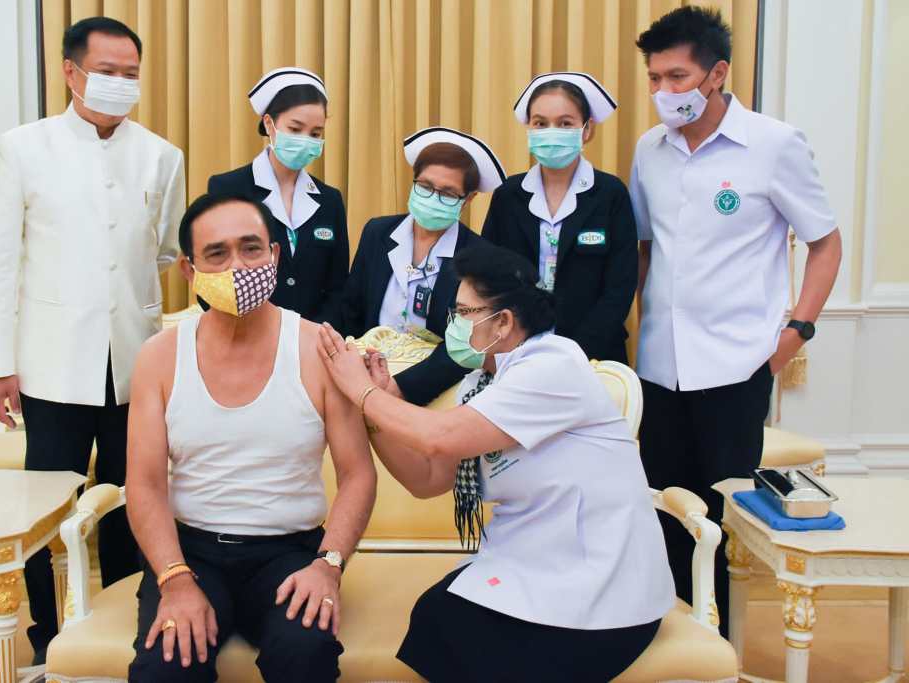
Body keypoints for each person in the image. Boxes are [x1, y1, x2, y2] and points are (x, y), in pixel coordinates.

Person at [318, 242, 674, 683]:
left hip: (601, 581)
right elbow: (427, 479)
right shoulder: (484, 383)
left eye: (463, 313)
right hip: (537, 562)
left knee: (452, 628)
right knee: (437, 618)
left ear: (503, 322)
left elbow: (438, 437)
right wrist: (374, 414)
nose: (453, 324)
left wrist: (364, 394)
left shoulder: (553, 365)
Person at [0, 17, 185, 662]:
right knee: (45, 508)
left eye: (131, 74)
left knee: (130, 501)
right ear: (70, 72)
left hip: (134, 362)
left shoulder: (162, 155)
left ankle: (120, 631)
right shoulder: (23, 148)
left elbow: (168, 249)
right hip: (50, 363)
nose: (121, 83)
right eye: (107, 71)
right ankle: (46, 635)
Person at [630, 6, 841, 636]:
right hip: (659, 365)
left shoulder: (774, 145)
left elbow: (825, 243)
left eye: (677, 77)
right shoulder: (650, 150)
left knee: (722, 519)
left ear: (717, 74)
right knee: (665, 510)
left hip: (737, 364)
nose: (663, 91)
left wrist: (796, 333)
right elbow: (644, 249)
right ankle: (669, 641)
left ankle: (714, 647)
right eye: (655, 78)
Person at [125, 193, 376, 682]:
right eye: (217, 254)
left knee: (304, 656)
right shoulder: (159, 356)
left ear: (274, 255)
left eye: (251, 248)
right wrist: (174, 579)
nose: (238, 266)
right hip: (189, 554)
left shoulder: (319, 349)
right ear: (189, 271)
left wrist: (328, 566)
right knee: (166, 667)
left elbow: (358, 475)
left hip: (290, 553)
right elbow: (145, 483)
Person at [338, 127, 506, 406]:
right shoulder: (378, 233)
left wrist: (401, 388)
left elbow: (465, 346)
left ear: (469, 199)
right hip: (364, 378)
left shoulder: (480, 258)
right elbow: (351, 309)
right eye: (425, 186)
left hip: (435, 392)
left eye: (448, 193)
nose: (433, 199)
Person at [482, 72, 637, 364]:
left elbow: (620, 288)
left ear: (586, 129)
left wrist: (574, 354)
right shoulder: (508, 195)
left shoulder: (610, 194)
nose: (551, 132)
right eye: (540, 123)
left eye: (565, 123)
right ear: (529, 128)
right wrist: (514, 344)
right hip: (517, 353)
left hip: (594, 356)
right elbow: (489, 277)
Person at [207, 67, 348, 324]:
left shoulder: (330, 200)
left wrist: (313, 333)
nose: (305, 140)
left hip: (312, 338)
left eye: (315, 134)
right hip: (245, 332)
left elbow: (338, 287)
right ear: (269, 124)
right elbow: (213, 277)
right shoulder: (228, 188)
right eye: (295, 129)